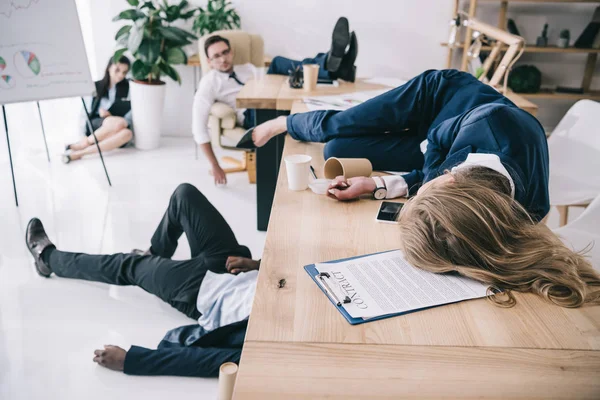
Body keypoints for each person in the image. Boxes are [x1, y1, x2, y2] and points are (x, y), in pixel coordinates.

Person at [252, 68, 550, 222]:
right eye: (438, 183)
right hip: (441, 99)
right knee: (342, 124)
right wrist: (426, 183)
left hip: (446, 149)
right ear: (452, 174)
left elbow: (440, 185)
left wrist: (373, 185)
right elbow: (435, 146)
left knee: (336, 150)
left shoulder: (516, 210)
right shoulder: (490, 122)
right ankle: (285, 122)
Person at [25, 183, 261, 377]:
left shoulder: (281, 348)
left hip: (202, 291)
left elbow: (210, 361)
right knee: (184, 195)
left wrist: (132, 361)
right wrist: (259, 265)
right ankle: (154, 260)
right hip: (237, 267)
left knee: (127, 265)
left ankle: (48, 259)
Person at [193, 17, 358, 185]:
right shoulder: (209, 83)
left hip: (268, 95)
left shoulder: (245, 68)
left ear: (231, 51)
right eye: (216, 56)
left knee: (284, 67)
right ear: (209, 61)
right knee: (278, 63)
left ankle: (333, 65)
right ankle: (333, 66)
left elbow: (281, 75)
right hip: (252, 114)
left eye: (225, 52)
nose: (222, 59)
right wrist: (215, 165)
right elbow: (198, 128)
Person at [62, 56, 134, 164]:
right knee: (117, 122)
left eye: (124, 72)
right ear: (109, 68)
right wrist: (83, 135)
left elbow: (130, 115)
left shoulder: (129, 87)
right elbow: (84, 113)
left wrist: (112, 117)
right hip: (96, 125)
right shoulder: (96, 86)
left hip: (116, 127)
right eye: (117, 70)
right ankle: (86, 141)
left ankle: (79, 153)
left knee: (127, 134)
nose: (120, 75)